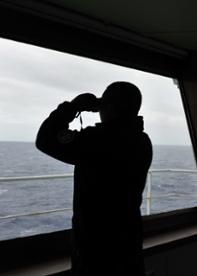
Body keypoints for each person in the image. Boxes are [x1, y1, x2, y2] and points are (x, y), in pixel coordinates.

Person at [36, 82, 152, 275]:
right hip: (129, 243)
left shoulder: (99, 140)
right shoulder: (142, 141)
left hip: (96, 250)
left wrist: (72, 107)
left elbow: (46, 138)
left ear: (108, 108)